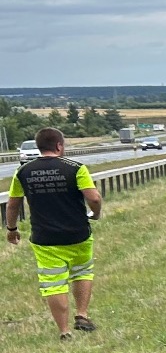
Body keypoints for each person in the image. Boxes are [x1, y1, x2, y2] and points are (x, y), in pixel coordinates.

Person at [6, 127, 103, 341]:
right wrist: (95, 214)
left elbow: (13, 204)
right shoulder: (76, 168)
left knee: (53, 283)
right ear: (59, 145)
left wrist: (11, 229)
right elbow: (94, 198)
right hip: (78, 233)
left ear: (40, 146)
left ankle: (64, 331)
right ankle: (82, 315)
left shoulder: (23, 172)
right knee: (82, 272)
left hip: (45, 238)